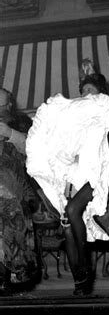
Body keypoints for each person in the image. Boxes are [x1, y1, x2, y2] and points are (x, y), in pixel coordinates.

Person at [26, 59, 109, 295]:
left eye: (91, 91)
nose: (86, 94)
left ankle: (85, 267)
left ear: (100, 93)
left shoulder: (104, 108)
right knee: (70, 226)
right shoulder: (74, 116)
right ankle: (80, 282)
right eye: (83, 91)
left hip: (97, 176)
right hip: (74, 176)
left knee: (73, 211)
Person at [0, 88, 40, 292]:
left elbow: (35, 149)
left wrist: (10, 134)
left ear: (9, 104)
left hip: (15, 193)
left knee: (14, 242)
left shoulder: (22, 122)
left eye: (2, 104)